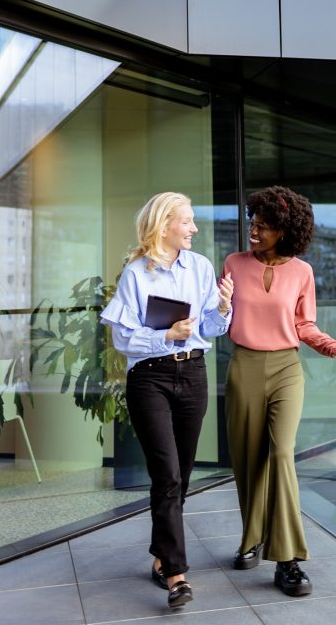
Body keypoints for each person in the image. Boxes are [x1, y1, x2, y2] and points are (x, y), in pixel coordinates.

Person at [220, 185, 336, 597]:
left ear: (285, 230)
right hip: (244, 366)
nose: (255, 229)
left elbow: (305, 326)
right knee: (248, 461)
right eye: (253, 221)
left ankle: (288, 561)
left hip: (286, 368)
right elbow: (220, 317)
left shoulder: (302, 272)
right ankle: (252, 537)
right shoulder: (233, 263)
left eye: (264, 225)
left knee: (281, 454)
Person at [101, 192, 233, 609]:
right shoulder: (136, 273)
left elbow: (209, 327)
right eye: (187, 221)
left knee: (183, 473)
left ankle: (161, 557)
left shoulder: (201, 267)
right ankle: (176, 574)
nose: (194, 228)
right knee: (167, 474)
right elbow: (121, 337)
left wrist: (224, 307)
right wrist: (164, 336)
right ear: (164, 225)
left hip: (193, 373)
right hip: (150, 379)